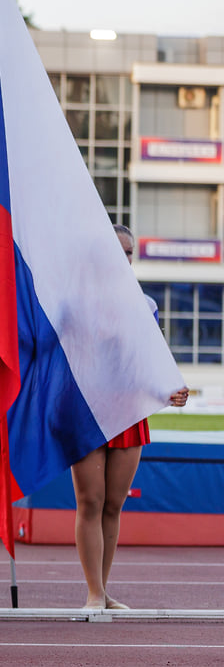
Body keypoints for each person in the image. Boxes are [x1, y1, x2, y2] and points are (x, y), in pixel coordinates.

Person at [71, 225, 189, 609]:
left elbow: (149, 362)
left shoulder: (146, 305)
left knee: (113, 504)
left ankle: (103, 592)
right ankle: (92, 593)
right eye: (115, 252)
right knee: (90, 501)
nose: (122, 260)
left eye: (128, 253)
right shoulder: (72, 302)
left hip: (129, 412)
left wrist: (169, 388)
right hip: (87, 412)